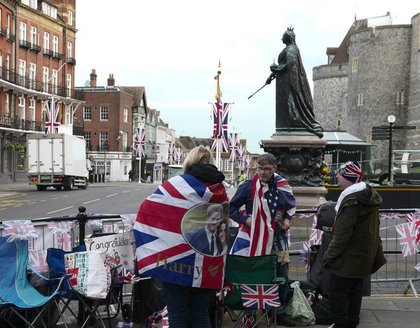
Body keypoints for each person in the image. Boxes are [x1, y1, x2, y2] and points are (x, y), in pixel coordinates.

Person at [135, 145, 228, 328]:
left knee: (177, 313)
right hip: (208, 264)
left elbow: (148, 210)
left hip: (175, 263)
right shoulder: (220, 189)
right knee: (201, 313)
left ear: (190, 161)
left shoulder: (178, 184)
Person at [228, 153, 296, 303]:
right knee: (252, 273)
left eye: (267, 169)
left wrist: (287, 219)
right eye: (260, 168)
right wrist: (246, 220)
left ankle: (278, 310)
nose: (263, 172)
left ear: (274, 168)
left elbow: (290, 206)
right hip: (252, 238)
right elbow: (230, 208)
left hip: (278, 239)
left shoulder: (282, 187)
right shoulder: (247, 187)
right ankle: (249, 307)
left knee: (281, 276)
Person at [324, 161, 383, 328]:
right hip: (362, 259)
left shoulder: (351, 200)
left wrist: (328, 257)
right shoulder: (367, 196)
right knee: (355, 297)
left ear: (348, 177)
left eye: (340, 174)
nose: (336, 176)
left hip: (347, 261)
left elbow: (342, 235)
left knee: (338, 298)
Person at [266, 27, 324, 138]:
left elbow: (290, 65)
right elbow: (284, 66)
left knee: (290, 107)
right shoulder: (289, 49)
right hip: (283, 83)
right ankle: (287, 125)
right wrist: (271, 75)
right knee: (285, 108)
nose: (282, 37)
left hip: (288, 84)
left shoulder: (291, 49)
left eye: (283, 35)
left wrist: (275, 70)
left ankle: (294, 122)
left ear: (288, 37)